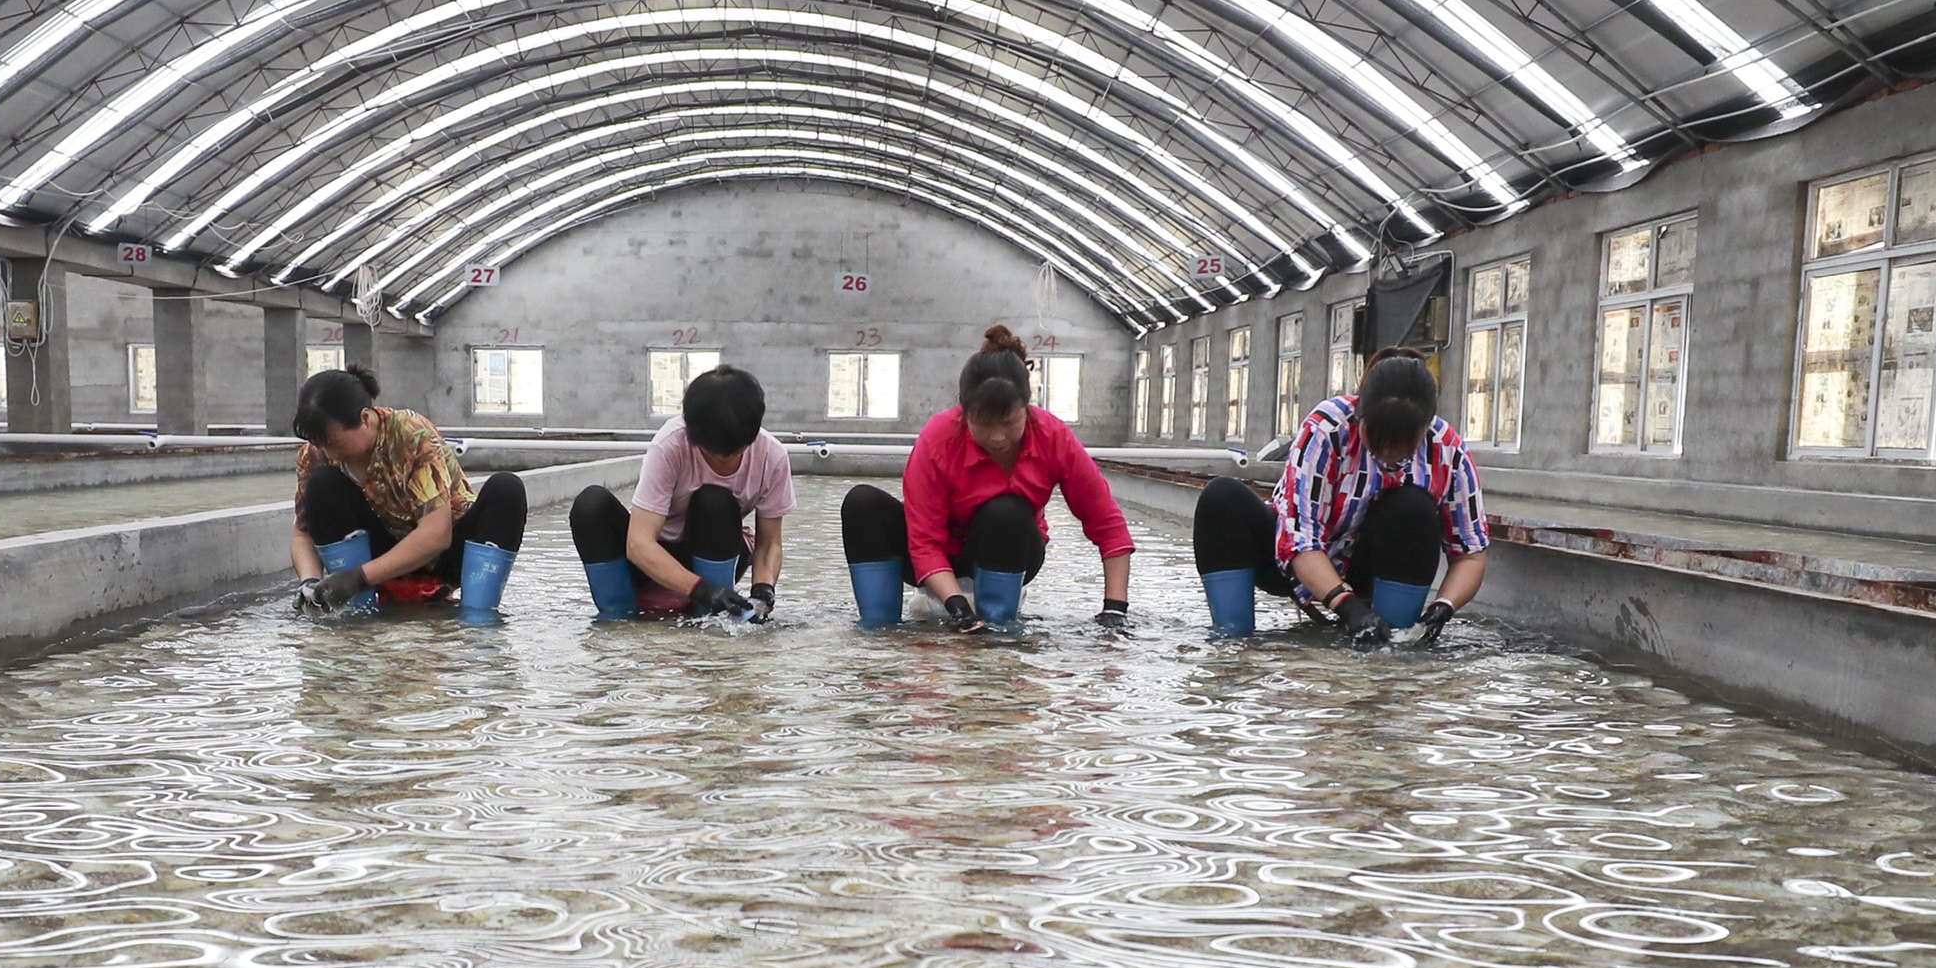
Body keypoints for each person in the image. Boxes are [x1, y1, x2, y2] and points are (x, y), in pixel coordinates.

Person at [842, 326, 1135, 632]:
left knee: (1006, 510)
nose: (997, 437)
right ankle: (877, 626)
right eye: (983, 424)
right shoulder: (937, 438)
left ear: (1027, 409)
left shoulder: (1053, 436)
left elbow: (1108, 526)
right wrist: (956, 605)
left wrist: (1114, 611)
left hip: (1011, 550)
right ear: (964, 412)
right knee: (862, 502)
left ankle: (998, 626)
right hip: (934, 559)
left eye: (1009, 423)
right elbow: (924, 541)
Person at [1193, 346, 1486, 646]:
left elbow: (1471, 553)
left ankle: (1390, 641)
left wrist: (1444, 606)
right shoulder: (1327, 427)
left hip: (1371, 568)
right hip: (1293, 567)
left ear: (1425, 428)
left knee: (1413, 507)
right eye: (1378, 441)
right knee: (1221, 497)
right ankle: (1231, 638)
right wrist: (1345, 606)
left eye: (1402, 445)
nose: (1387, 456)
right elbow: (1299, 539)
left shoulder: (1447, 448)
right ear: (1360, 415)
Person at [291, 365, 527, 620]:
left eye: (335, 443)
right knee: (322, 483)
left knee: (507, 488)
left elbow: (436, 535)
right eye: (320, 444)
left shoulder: (411, 436)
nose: (329, 454)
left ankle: (478, 617)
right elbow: (302, 532)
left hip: (447, 555)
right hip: (379, 553)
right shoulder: (316, 454)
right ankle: (354, 610)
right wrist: (310, 581)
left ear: (365, 418)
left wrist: (359, 577)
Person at [570, 365, 788, 621]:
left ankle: (713, 616)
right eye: (711, 455)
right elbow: (638, 543)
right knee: (590, 505)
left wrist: (763, 589)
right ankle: (618, 614)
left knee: (713, 500)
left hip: (717, 545)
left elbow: (769, 543)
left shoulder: (772, 456)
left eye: (735, 454)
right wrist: (702, 589)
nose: (723, 464)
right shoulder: (670, 444)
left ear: (751, 437)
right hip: (657, 555)